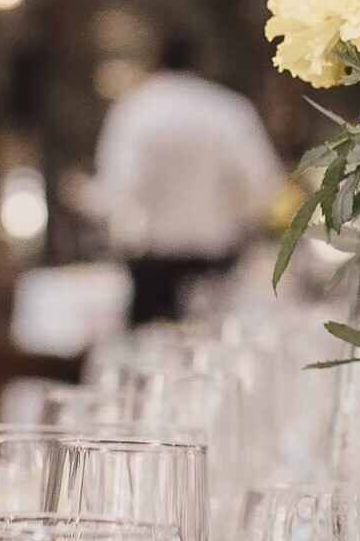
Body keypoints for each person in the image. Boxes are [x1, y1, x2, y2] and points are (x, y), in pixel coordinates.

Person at [90, 34, 288, 327]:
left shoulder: (135, 108)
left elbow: (118, 189)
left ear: (155, 61)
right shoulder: (228, 109)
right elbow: (264, 186)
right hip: (218, 265)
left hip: (152, 266)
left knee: (149, 361)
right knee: (219, 357)